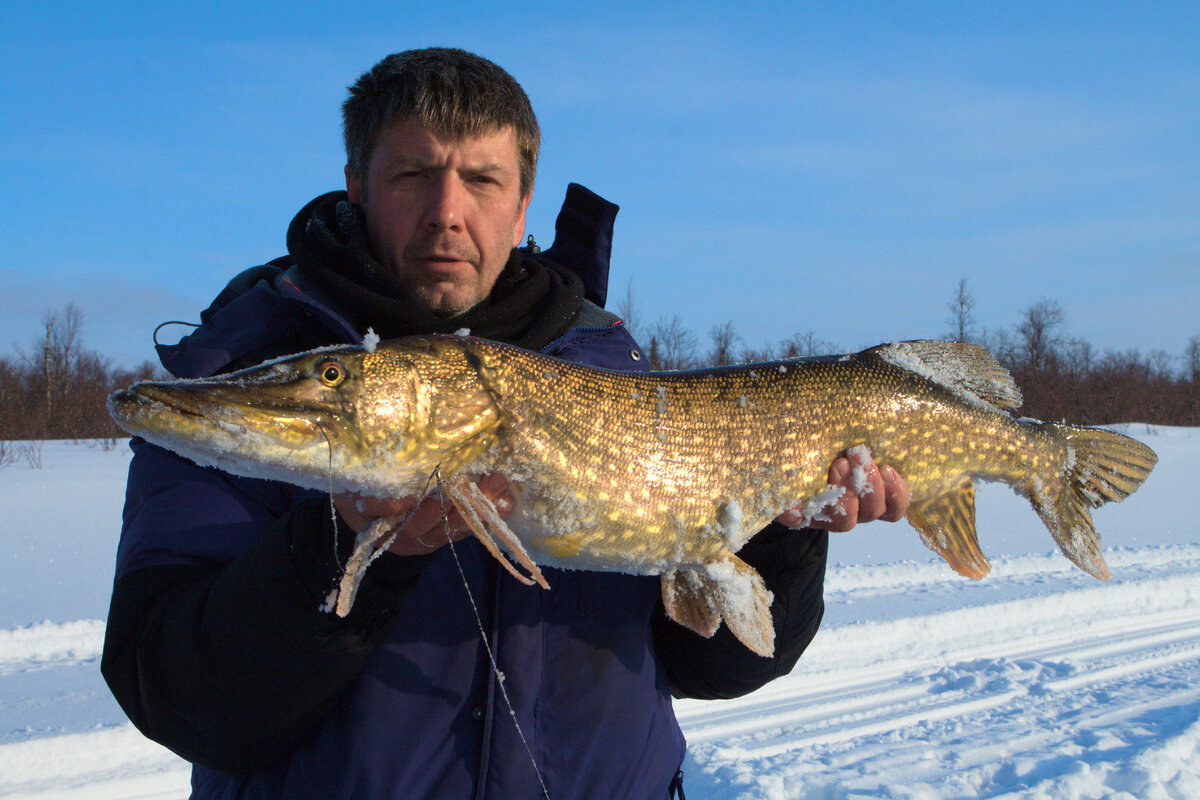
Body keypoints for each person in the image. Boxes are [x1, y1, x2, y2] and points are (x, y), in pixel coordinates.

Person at [102, 48, 910, 799]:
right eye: (415, 173)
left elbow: (715, 666)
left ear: (522, 207)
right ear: (357, 184)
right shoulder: (245, 365)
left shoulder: (608, 366)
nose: (447, 212)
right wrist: (340, 548)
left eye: (482, 180)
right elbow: (174, 696)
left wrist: (783, 532)